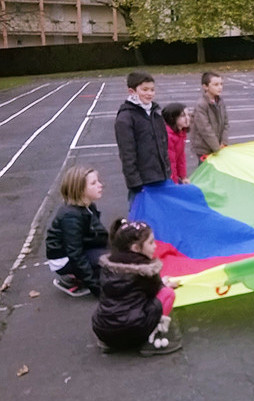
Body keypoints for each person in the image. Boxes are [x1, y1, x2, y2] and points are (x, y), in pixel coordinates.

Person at [92, 219, 181, 356]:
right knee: (167, 294)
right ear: (135, 248)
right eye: (151, 243)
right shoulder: (145, 270)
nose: (155, 246)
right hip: (134, 330)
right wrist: (163, 284)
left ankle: (110, 344)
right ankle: (153, 338)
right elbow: (156, 291)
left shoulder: (108, 267)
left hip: (103, 330)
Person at [45, 166, 108, 297]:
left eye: (98, 181)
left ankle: (79, 276)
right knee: (108, 260)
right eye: (93, 183)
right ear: (80, 189)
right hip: (63, 260)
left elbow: (99, 234)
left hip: (76, 249)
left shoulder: (88, 206)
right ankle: (72, 279)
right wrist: (97, 289)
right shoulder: (71, 216)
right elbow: (75, 255)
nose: (100, 185)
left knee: (117, 253)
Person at [114, 71, 171, 207]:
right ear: (132, 91)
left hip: (161, 177)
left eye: (152, 90)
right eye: (144, 90)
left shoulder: (155, 114)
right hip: (142, 182)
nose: (149, 93)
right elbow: (127, 154)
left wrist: (167, 171)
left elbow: (163, 145)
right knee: (141, 221)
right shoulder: (125, 118)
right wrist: (135, 183)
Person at [190, 71, 229, 160]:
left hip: (219, 147)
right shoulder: (201, 105)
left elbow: (226, 123)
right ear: (205, 87)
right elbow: (205, 129)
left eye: (221, 84)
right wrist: (217, 148)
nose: (220, 87)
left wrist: (224, 142)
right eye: (215, 84)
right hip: (205, 149)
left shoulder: (220, 102)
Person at [162, 103, 191, 184]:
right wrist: (174, 182)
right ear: (173, 118)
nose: (187, 118)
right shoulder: (168, 136)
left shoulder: (180, 133)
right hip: (166, 177)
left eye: (188, 115)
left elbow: (180, 157)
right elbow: (171, 162)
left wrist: (183, 176)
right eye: (182, 116)